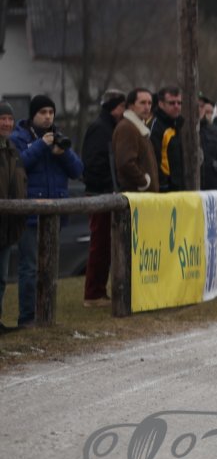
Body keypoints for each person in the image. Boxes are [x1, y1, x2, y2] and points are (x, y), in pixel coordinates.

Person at [11, 95, 85, 329]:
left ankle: (47, 315)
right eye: (42, 112)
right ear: (33, 115)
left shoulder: (58, 137)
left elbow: (78, 171)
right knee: (30, 267)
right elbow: (18, 166)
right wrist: (41, 145)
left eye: (51, 112)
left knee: (50, 267)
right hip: (29, 213)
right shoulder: (19, 138)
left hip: (54, 214)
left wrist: (64, 153)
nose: (47, 117)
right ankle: (27, 317)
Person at [80, 90, 126, 306]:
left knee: (106, 245)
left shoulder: (109, 127)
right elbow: (94, 163)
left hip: (107, 192)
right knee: (100, 245)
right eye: (122, 106)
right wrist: (110, 183)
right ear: (114, 107)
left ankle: (99, 290)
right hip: (100, 193)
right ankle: (93, 292)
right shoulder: (100, 129)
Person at [0, 105, 29, 334]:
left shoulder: (13, 151)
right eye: (2, 118)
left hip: (8, 225)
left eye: (10, 119)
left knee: (1, 278)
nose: (7, 123)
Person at [112, 87, 159, 196]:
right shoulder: (127, 127)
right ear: (131, 106)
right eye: (142, 103)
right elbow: (125, 163)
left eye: (149, 103)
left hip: (142, 196)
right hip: (135, 196)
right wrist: (144, 182)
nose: (147, 107)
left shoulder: (137, 126)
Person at [150, 85, 185, 192]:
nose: (176, 106)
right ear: (161, 104)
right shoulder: (156, 125)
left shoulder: (177, 124)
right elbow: (153, 159)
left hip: (178, 184)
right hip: (165, 187)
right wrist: (163, 184)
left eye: (179, 103)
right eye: (172, 103)